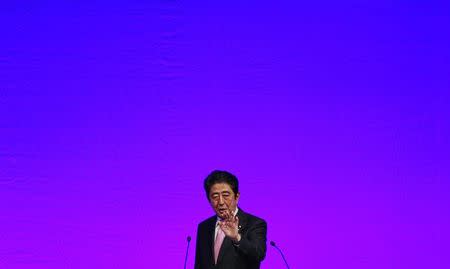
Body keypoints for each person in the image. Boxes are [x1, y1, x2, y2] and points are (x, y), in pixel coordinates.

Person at [194, 170, 267, 269]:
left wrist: (236, 238)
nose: (220, 202)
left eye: (226, 195)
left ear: (237, 197)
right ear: (209, 200)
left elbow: (258, 254)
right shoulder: (204, 227)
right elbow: (199, 265)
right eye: (215, 196)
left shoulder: (254, 223)